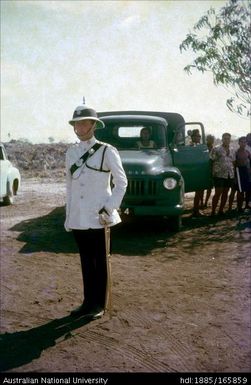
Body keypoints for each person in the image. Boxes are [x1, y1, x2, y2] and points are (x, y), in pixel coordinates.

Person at [64, 102, 127, 319]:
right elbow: (70, 186)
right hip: (79, 217)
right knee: (85, 262)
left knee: (100, 261)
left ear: (93, 125)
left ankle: (99, 304)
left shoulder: (107, 151)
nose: (80, 128)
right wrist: (69, 216)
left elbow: (122, 182)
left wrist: (109, 209)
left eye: (84, 124)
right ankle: (87, 302)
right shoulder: (71, 152)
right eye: (77, 124)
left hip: (99, 216)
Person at [210, 132, 235, 216]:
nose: (227, 140)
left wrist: (233, 174)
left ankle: (221, 210)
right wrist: (212, 173)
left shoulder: (232, 149)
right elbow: (211, 160)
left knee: (225, 193)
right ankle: (213, 211)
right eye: (225, 139)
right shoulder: (216, 149)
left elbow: (233, 162)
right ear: (222, 139)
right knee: (218, 193)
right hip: (219, 174)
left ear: (230, 140)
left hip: (229, 174)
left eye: (228, 139)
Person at [190, 129, 204, 217]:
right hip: (193, 171)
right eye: (196, 136)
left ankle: (196, 210)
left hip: (200, 170)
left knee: (200, 191)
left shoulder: (201, 146)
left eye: (199, 136)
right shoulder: (190, 146)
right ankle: (195, 210)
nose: (198, 137)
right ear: (193, 137)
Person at [235, 136, 251, 212]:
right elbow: (234, 163)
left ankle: (247, 205)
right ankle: (239, 207)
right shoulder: (236, 152)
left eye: (245, 142)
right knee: (240, 190)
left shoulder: (247, 152)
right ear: (239, 143)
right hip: (239, 171)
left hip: (247, 171)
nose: (243, 143)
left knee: (248, 189)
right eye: (242, 142)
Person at [203, 134, 215, 208]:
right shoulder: (203, 147)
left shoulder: (214, 148)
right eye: (210, 139)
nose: (211, 140)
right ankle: (201, 202)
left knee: (209, 188)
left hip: (211, 169)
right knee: (201, 188)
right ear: (207, 139)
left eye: (212, 139)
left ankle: (205, 202)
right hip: (204, 169)